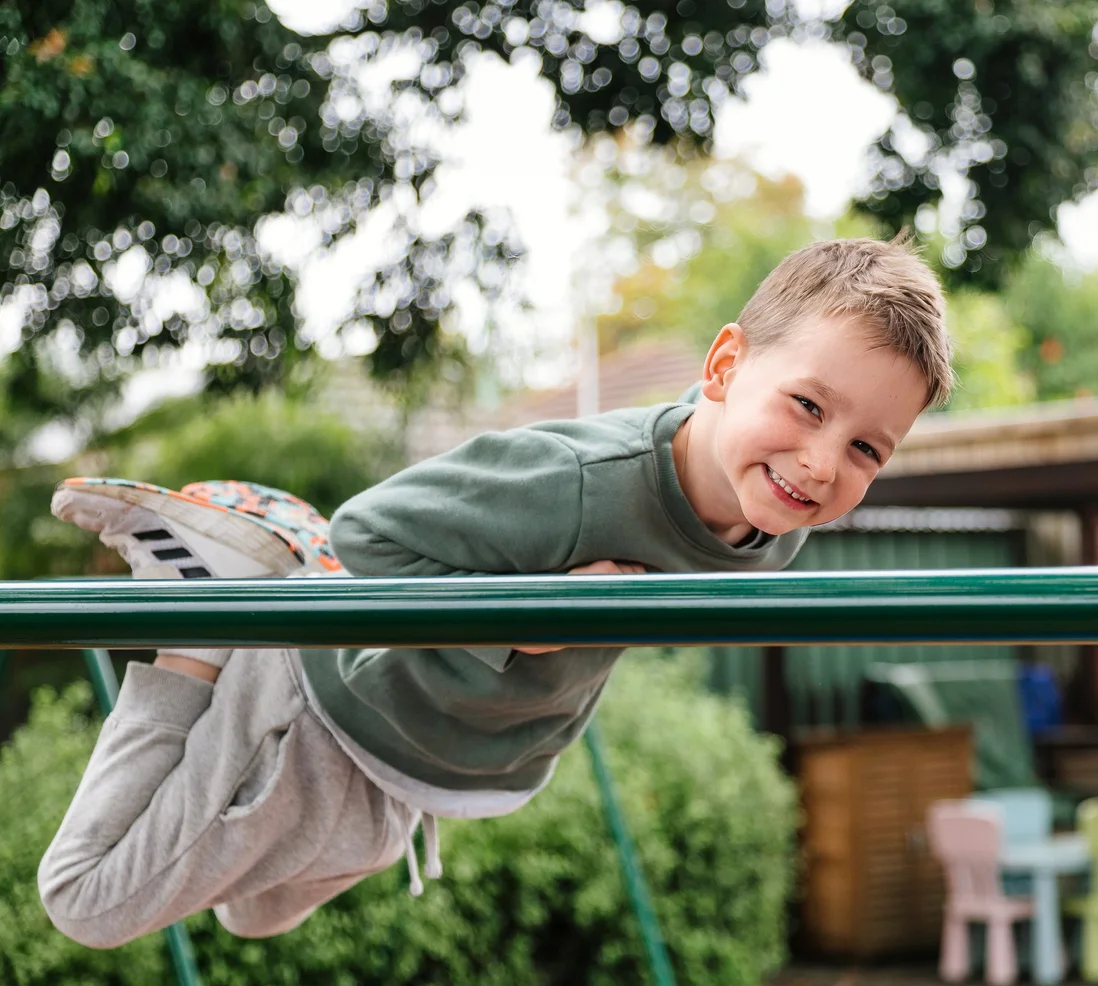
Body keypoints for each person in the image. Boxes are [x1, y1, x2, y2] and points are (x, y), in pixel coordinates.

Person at [38, 236, 954, 948]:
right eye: (807, 405)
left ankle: (260, 578)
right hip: (332, 706)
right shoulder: (571, 477)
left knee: (253, 915)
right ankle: (219, 607)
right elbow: (369, 535)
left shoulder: (770, 522)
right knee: (87, 899)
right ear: (723, 367)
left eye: (868, 447)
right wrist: (532, 610)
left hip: (439, 763)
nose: (822, 462)